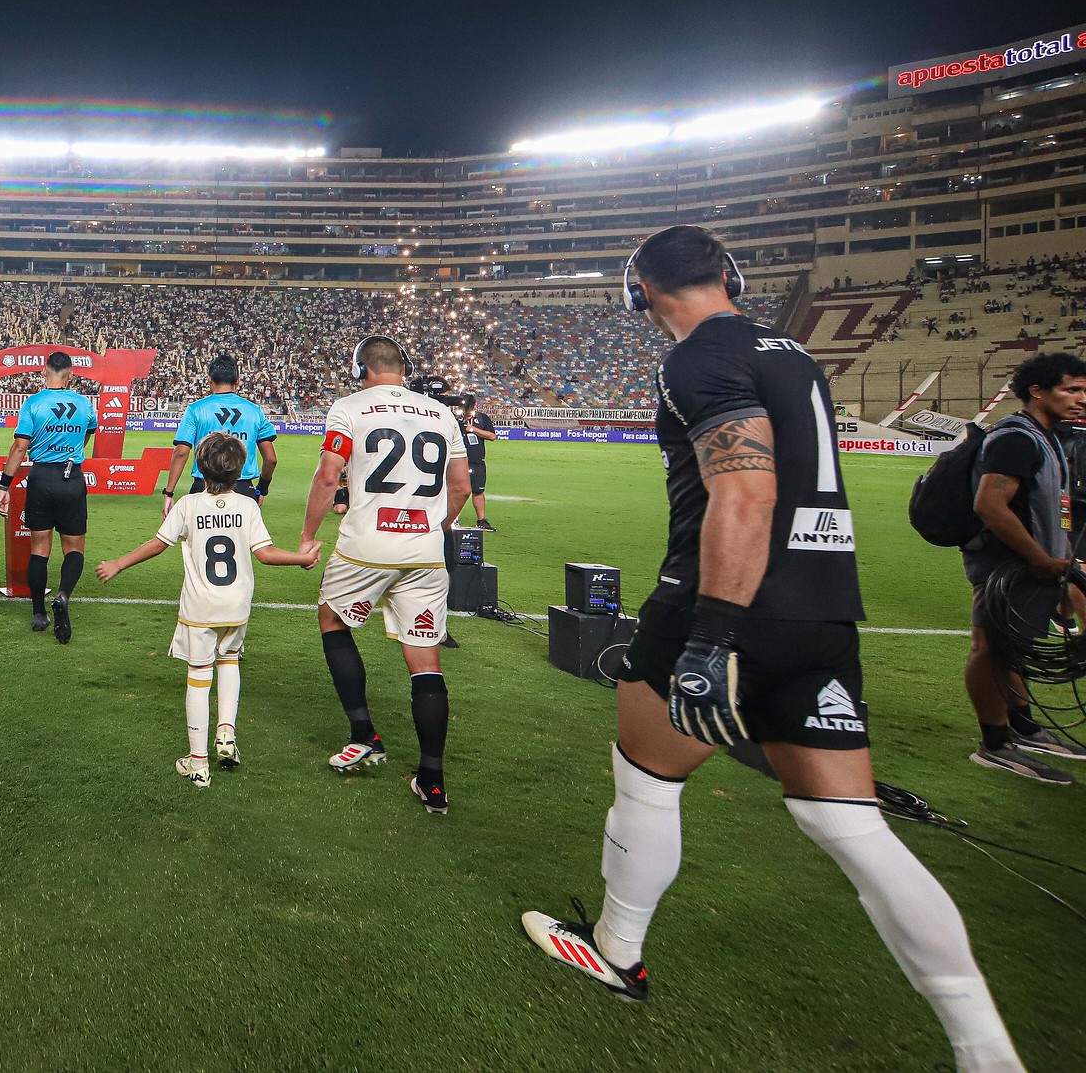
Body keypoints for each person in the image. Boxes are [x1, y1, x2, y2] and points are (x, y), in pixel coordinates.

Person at [518, 226, 1022, 1073]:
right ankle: (987, 1050)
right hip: (821, 612)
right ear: (729, 271)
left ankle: (617, 947)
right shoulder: (791, 350)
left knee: (646, 778)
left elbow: (745, 494)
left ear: (637, 293)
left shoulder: (696, 357)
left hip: (723, 606)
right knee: (850, 825)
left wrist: (712, 636)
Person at [299, 335, 468, 813]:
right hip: (426, 552)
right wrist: (438, 526)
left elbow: (329, 475)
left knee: (333, 621)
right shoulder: (441, 413)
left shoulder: (348, 408)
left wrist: (309, 535)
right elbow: (460, 487)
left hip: (366, 547)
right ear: (404, 369)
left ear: (360, 370)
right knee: (426, 662)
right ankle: (432, 779)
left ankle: (364, 732)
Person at [96, 432, 315, 786]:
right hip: (237, 606)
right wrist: (303, 558)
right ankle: (226, 734)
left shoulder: (187, 505)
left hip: (200, 608)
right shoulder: (247, 506)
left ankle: (198, 764)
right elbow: (266, 554)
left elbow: (158, 544)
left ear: (200, 467)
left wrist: (119, 563)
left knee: (199, 678)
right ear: (240, 470)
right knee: (229, 661)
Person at [961, 351, 1086, 782]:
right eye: (1071, 389)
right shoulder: (1017, 437)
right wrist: (1039, 558)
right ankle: (995, 744)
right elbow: (989, 504)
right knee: (991, 648)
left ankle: (1024, 729)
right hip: (1010, 566)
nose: (1081, 398)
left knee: (1010, 649)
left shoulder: (1047, 436)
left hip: (1040, 566)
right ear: (1037, 391)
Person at [0, 351, 97, 640]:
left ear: (44, 372)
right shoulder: (84, 404)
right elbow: (87, 435)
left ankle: (39, 612)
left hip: (41, 476)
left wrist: (4, 485)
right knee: (74, 548)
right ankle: (63, 596)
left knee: (39, 548)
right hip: (72, 476)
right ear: (71, 375)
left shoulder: (34, 403)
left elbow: (19, 447)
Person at [163, 352, 277, 514]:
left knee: (198, 538)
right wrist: (261, 489)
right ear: (237, 381)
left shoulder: (195, 409)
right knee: (241, 539)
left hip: (203, 486)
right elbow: (271, 459)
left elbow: (181, 453)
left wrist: (169, 492)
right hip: (243, 489)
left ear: (209, 379)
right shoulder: (254, 411)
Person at [458, 392, 496, 530]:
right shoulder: (455, 419)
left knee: (478, 491)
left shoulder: (482, 418)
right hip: (458, 460)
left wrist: (472, 429)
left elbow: (492, 436)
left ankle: (481, 520)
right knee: (456, 490)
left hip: (477, 460)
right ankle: (453, 519)